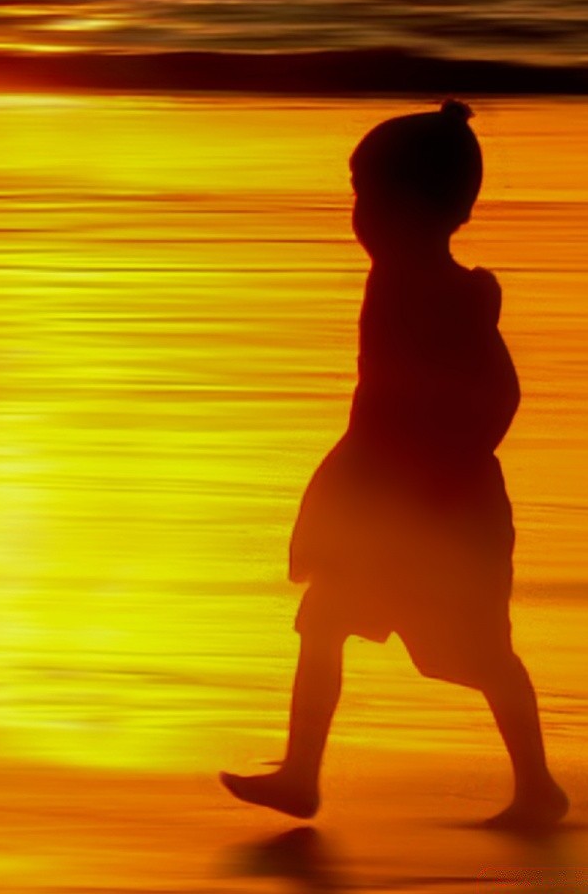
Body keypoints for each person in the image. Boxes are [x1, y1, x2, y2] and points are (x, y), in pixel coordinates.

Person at [222, 100, 568, 831]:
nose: (359, 215)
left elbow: (499, 392)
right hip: (385, 501)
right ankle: (301, 774)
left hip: (442, 510)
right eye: (357, 198)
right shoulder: (400, 284)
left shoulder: (445, 294)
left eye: (373, 199)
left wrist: (446, 468)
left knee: (473, 656)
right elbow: (377, 404)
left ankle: (538, 784)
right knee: (323, 622)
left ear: (428, 210)